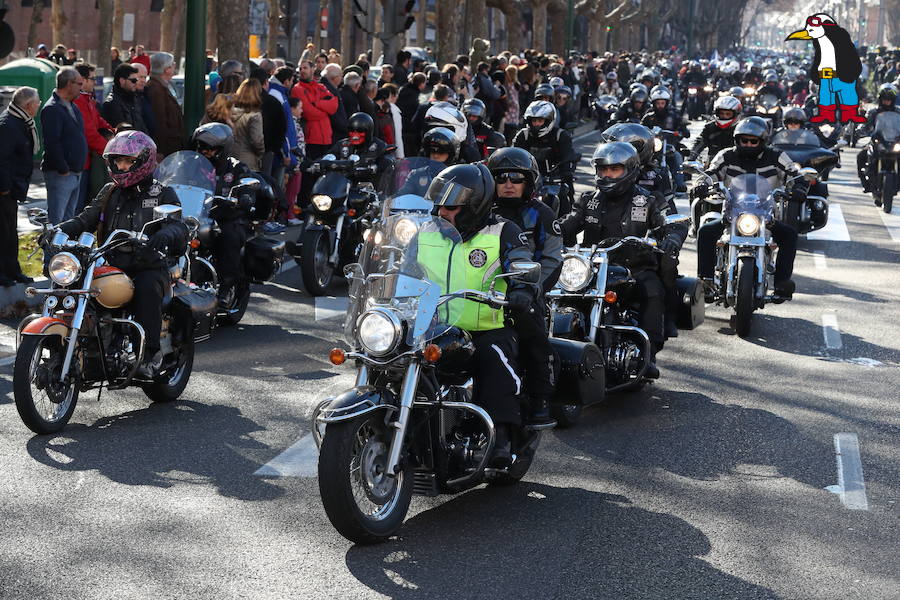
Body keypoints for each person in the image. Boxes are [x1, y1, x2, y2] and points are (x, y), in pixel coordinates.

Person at [420, 163, 537, 465]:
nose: (442, 213)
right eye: (439, 206)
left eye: (451, 207)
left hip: (487, 327)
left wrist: (521, 288)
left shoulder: (502, 232)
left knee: (493, 358)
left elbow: (521, 262)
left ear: (474, 205)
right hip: (432, 327)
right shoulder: (424, 232)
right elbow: (399, 267)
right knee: (388, 353)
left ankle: (501, 436)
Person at [56, 131, 188, 378]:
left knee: (147, 289)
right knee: (76, 288)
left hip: (148, 265)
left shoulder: (161, 193)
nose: (121, 166)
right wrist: (58, 231)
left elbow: (178, 225)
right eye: (117, 161)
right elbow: (86, 219)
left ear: (143, 161)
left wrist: (166, 233)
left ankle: (150, 355)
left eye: (127, 161)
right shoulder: (110, 192)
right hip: (112, 264)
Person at [555, 142, 675, 378]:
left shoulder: (648, 200)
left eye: (614, 169)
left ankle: (648, 353)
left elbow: (671, 221)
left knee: (652, 290)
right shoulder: (589, 199)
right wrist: (550, 232)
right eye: (603, 169)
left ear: (629, 169)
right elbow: (567, 223)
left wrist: (671, 237)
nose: (607, 174)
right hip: (593, 268)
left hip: (635, 268)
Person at [487, 147, 562, 426]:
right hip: (481, 290)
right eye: (501, 178)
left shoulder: (540, 214)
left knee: (532, 333)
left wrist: (529, 290)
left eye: (516, 179)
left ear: (528, 182)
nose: (508, 184)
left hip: (524, 294)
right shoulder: (480, 211)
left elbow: (552, 260)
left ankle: (541, 397)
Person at [695, 116, 806, 300]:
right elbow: (710, 173)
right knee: (705, 231)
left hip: (766, 215)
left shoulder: (776, 156)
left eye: (753, 141)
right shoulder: (726, 155)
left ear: (762, 141)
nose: (748, 144)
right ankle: (705, 280)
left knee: (789, 235)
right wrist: (701, 184)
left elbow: (793, 174)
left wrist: (799, 187)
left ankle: (781, 284)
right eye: (743, 140)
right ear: (736, 140)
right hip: (732, 213)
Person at [190, 123, 256, 305]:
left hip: (226, 218)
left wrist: (245, 197)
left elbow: (247, 188)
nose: (205, 151)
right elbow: (173, 180)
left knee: (229, 237)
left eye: (210, 148)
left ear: (223, 149)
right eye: (201, 147)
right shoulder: (191, 165)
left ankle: (227, 286)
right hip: (195, 216)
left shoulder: (236, 168)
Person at [0, 87, 41, 286]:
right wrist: (4, 187)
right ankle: (2, 274)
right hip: (4, 189)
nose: (39, 104)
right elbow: (2, 159)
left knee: (10, 232)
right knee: (3, 231)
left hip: (13, 188)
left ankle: (12, 270)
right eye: (37, 101)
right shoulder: (8, 125)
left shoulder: (21, 121)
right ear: (28, 105)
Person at [512, 100, 578, 217]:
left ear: (548, 121)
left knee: (565, 198)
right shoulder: (523, 135)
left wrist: (566, 172)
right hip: (528, 180)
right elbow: (514, 156)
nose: (536, 124)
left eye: (540, 120)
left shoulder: (560, 136)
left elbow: (569, 156)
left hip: (554, 180)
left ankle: (565, 232)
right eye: (534, 120)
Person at [41, 67, 88, 225]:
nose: (81, 87)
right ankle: (52, 250)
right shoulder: (52, 108)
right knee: (57, 221)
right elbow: (52, 142)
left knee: (68, 223)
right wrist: (63, 169)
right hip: (60, 174)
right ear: (69, 84)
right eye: (79, 83)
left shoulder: (72, 106)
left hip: (75, 172)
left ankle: (65, 250)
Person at [74, 64, 114, 212]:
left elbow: (98, 120)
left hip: (87, 160)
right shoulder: (79, 101)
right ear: (82, 80)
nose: (95, 82)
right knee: (76, 207)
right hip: (81, 162)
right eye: (92, 79)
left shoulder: (86, 100)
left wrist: (115, 131)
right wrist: (110, 151)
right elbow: (90, 133)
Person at [323, 112, 393, 190]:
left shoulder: (378, 145)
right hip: (343, 186)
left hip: (369, 188)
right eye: (352, 130)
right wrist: (319, 163)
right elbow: (329, 155)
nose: (355, 135)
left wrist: (375, 167)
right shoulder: (342, 144)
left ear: (368, 132)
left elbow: (388, 161)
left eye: (360, 131)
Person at [641, 85, 689, 192]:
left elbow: (684, 130)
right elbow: (640, 130)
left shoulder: (674, 115)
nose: (660, 106)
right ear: (653, 103)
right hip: (651, 148)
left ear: (667, 103)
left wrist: (681, 131)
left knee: (677, 157)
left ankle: (680, 183)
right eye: (658, 103)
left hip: (669, 147)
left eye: (662, 103)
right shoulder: (648, 117)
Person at [858, 83, 900, 196]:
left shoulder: (898, 112)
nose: (887, 101)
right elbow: (865, 125)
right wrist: (862, 129)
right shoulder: (873, 112)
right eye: (885, 99)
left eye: (889, 99)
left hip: (895, 141)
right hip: (878, 141)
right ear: (881, 99)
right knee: (861, 156)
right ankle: (866, 184)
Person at [146, 52, 184, 158]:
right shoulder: (155, 89)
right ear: (166, 69)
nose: (174, 66)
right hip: (165, 150)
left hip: (171, 147)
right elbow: (159, 121)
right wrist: (160, 150)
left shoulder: (163, 86)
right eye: (173, 64)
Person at [688, 95, 742, 166]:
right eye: (721, 113)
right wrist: (691, 158)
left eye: (728, 114)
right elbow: (699, 142)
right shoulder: (710, 127)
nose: (724, 116)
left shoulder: (741, 129)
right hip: (712, 166)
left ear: (736, 114)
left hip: (736, 167)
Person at [102, 63, 148, 133]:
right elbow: (121, 133)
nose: (136, 83)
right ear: (122, 81)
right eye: (133, 80)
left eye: (136, 80)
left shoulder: (135, 100)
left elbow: (142, 126)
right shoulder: (112, 103)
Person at [230, 78, 265, 170]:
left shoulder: (229, 111)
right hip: (247, 160)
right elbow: (257, 140)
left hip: (229, 156)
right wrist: (261, 152)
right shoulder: (255, 116)